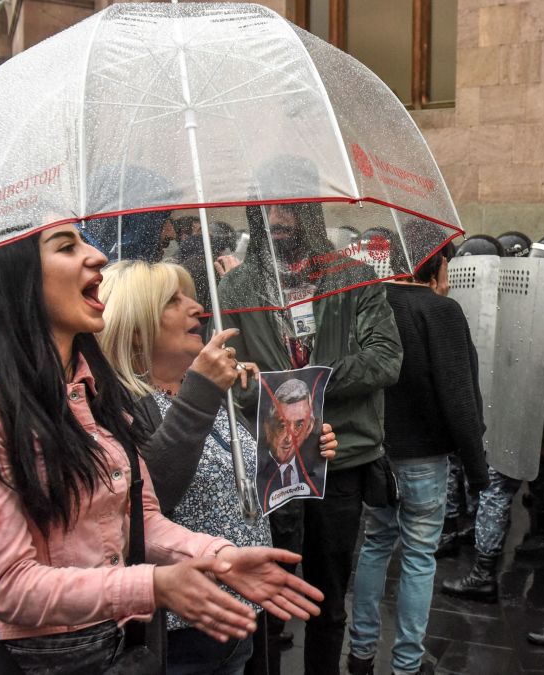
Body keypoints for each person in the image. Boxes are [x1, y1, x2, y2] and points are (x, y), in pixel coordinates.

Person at [0, 224, 324, 673]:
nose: (96, 256)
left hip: (121, 647)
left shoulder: (89, 391)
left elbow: (140, 519)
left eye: (85, 240)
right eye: (66, 247)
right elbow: (10, 588)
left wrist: (219, 557)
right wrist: (153, 585)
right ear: (12, 278)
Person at [96, 259, 339, 674]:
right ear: (136, 329)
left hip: (238, 612)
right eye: (173, 301)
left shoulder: (215, 394)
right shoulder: (123, 407)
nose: (196, 307)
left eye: (190, 295)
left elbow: (241, 482)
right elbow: (152, 499)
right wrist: (202, 391)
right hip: (181, 632)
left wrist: (297, 448)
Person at [219, 197, 403, 675]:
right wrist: (260, 394)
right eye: (269, 212)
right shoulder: (237, 286)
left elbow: (385, 359)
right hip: (272, 462)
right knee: (265, 595)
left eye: (291, 210)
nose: (279, 221)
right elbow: (229, 375)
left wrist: (307, 387)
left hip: (340, 461)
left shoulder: (354, 279)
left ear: (311, 216)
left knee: (326, 595)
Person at [346, 245, 489, 675]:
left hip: (377, 453)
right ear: (438, 264)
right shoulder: (440, 311)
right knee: (418, 557)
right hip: (425, 458)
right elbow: (459, 395)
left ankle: (361, 653)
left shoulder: (369, 302)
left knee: (374, 546)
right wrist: (477, 464)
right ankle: (407, 664)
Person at [257, 378, 323, 507]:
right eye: (282, 426)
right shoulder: (257, 470)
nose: (289, 438)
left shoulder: (314, 469)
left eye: (299, 425)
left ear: (309, 427)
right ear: (267, 427)